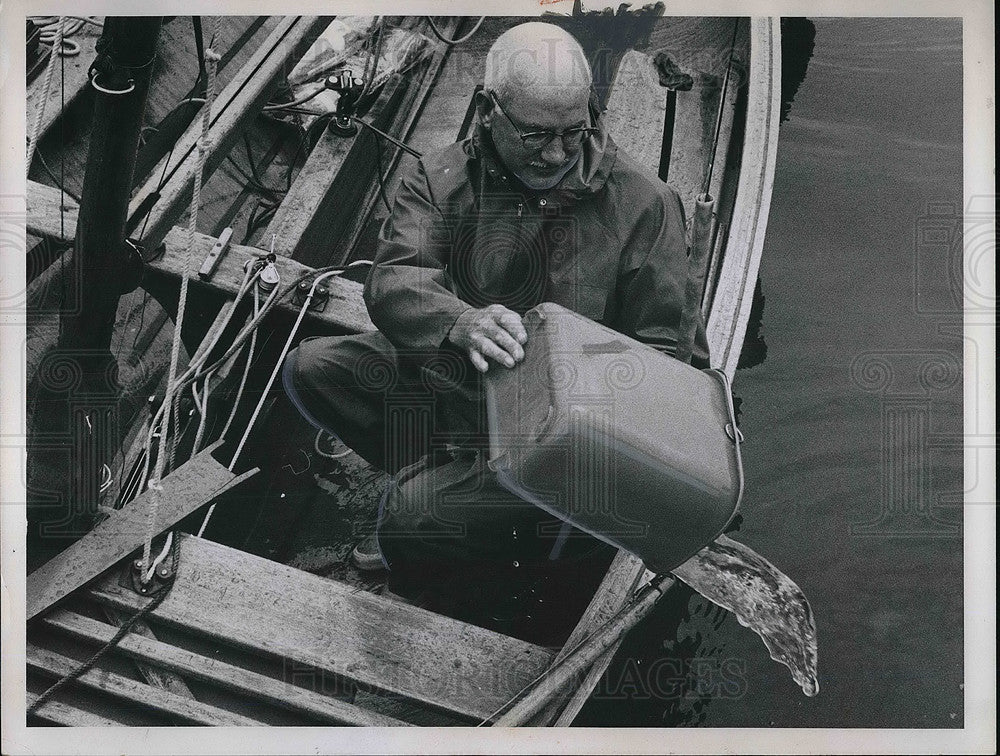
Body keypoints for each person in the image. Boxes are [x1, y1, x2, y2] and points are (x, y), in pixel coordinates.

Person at [282, 21, 709, 602]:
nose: (558, 153)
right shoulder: (438, 177)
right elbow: (394, 279)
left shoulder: (649, 207)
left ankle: (496, 544)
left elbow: (668, 357)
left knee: (410, 519)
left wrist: (569, 396)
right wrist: (458, 322)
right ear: (488, 109)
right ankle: (453, 488)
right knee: (315, 370)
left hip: (576, 437)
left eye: (574, 131)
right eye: (535, 135)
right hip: (473, 385)